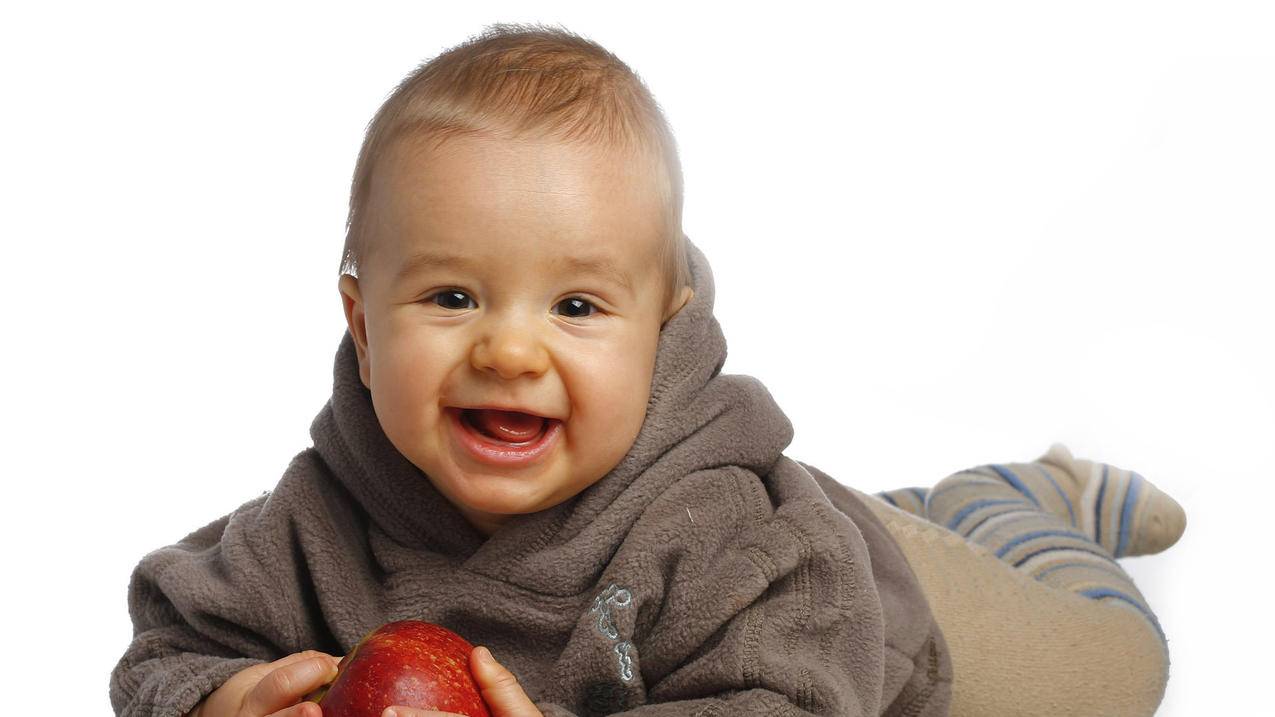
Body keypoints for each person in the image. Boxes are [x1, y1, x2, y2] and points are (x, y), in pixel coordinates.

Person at [109, 23, 1185, 717]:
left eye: (576, 307)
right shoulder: (314, 521)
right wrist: (225, 699)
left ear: (661, 325)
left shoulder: (737, 538)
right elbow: (164, 647)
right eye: (451, 297)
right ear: (360, 316)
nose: (509, 349)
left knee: (1115, 674)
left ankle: (1020, 499)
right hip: (792, 541)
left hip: (879, 626)